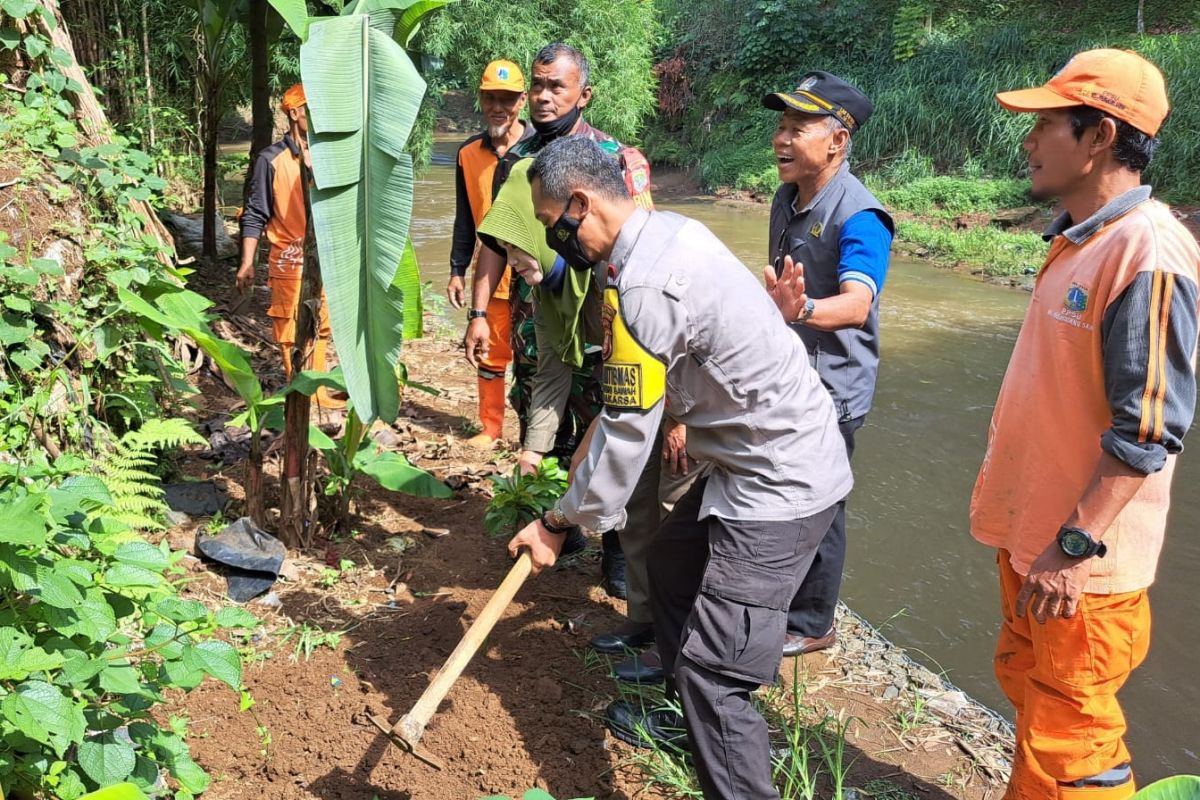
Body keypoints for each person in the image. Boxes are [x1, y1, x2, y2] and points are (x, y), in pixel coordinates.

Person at [508, 136, 852, 800]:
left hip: (778, 480)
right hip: (751, 457)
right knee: (669, 566)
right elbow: (628, 410)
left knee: (716, 679)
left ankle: (711, 735)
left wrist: (556, 522)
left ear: (582, 204)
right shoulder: (666, 233)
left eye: (554, 227)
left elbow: (629, 435)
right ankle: (677, 716)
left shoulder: (643, 285)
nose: (557, 245)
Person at [970, 49, 1199, 800]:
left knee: (1076, 734)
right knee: (1037, 701)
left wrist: (1072, 548)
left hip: (1079, 565)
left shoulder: (1149, 253)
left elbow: (1149, 433)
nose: (1027, 142)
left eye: (1044, 126)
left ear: (1099, 136)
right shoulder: (1080, 238)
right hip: (1038, 545)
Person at [462, 41, 655, 597]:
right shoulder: (516, 165)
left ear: (583, 94)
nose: (545, 98)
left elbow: (639, 249)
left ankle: (618, 555)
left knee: (613, 431)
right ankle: (558, 528)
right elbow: (494, 243)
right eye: (539, 86)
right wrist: (480, 311)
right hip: (536, 319)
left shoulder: (618, 160)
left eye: (557, 87)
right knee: (544, 420)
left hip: (606, 326)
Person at [761, 72, 894, 656]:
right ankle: (781, 600)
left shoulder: (862, 215)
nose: (781, 139)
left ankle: (815, 623)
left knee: (825, 503)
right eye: (780, 126)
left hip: (833, 383)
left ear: (837, 141)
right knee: (786, 488)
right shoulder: (786, 199)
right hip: (790, 374)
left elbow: (858, 301)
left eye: (797, 128)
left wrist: (804, 306)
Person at [237, 83, 343, 409]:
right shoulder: (271, 160)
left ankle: (319, 393)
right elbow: (255, 213)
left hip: (326, 256)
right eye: (311, 108)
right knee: (288, 327)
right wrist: (247, 262)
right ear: (294, 113)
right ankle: (298, 391)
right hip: (289, 257)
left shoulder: (330, 157)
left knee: (322, 323)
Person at [448, 60, 533, 448]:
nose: (499, 107)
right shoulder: (468, 154)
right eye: (491, 98)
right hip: (491, 273)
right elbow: (465, 216)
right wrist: (455, 268)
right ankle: (491, 427)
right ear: (481, 100)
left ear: (523, 101)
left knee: (538, 360)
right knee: (490, 355)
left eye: (508, 99)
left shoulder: (542, 147)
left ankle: (535, 439)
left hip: (536, 276)